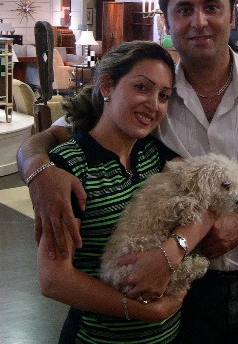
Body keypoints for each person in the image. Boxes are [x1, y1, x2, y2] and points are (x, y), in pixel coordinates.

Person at [18, 0, 238, 344]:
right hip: (182, 295)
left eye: (211, 7)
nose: (199, 21)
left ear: (231, 15)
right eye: (184, 10)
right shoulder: (154, 91)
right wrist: (38, 169)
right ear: (167, 22)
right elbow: (59, 132)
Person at [34, 40, 214, 344]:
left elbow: (208, 200)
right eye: (142, 88)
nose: (154, 105)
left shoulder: (153, 153)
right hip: (98, 338)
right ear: (107, 86)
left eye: (163, 96)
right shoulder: (70, 166)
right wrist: (143, 311)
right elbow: (54, 278)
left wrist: (171, 252)